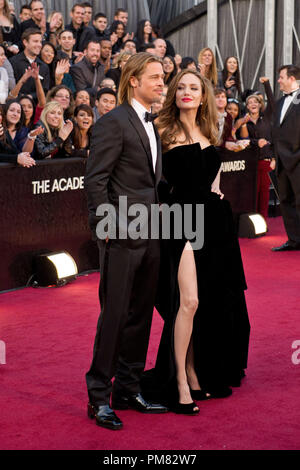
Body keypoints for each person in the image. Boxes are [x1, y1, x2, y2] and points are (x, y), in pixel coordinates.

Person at [141, 69, 250, 413]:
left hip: (212, 224)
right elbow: (152, 181)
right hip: (179, 222)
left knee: (204, 302)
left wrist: (217, 194)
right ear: (174, 93)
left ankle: (193, 368)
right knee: (186, 302)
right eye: (181, 87)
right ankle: (178, 380)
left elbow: (212, 179)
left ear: (204, 96)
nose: (187, 92)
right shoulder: (161, 130)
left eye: (194, 88)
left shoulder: (209, 129)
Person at [85, 52, 168, 431]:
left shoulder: (154, 123)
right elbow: (96, 181)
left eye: (162, 78)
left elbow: (149, 182)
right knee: (115, 315)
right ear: (133, 79)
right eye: (154, 77)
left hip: (151, 232)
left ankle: (128, 389)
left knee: (140, 314)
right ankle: (99, 397)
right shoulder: (113, 122)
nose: (161, 84)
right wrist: (106, 229)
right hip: (121, 234)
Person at [271, 65, 300, 251]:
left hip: (298, 160)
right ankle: (294, 239)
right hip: (281, 161)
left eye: (281, 77)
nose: (279, 80)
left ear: (291, 78)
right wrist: (274, 155)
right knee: (286, 201)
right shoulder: (280, 102)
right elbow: (276, 131)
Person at [236, 94, 275, 218]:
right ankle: (253, 221)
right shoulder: (244, 121)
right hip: (250, 162)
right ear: (247, 106)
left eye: (255, 102)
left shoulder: (267, 119)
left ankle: (263, 221)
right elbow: (242, 140)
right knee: (252, 193)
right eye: (250, 102)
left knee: (264, 193)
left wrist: (274, 158)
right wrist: (256, 142)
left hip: (265, 161)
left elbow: (273, 138)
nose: (253, 104)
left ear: (259, 104)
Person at [9, 28, 50, 99]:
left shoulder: (44, 66)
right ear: (25, 42)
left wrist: (30, 97)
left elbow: (45, 91)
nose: (39, 45)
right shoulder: (13, 62)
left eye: (40, 42)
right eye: (35, 41)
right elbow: (9, 88)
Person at [70, 39, 105, 103]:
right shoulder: (77, 68)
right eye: (92, 50)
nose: (95, 53)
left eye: (98, 51)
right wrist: (98, 89)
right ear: (85, 52)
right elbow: (81, 91)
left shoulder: (101, 68)